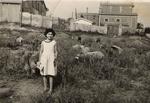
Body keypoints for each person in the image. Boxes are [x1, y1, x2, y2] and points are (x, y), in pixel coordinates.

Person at [37, 28, 57, 94]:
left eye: (51, 34)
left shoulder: (54, 42)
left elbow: (55, 51)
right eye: (48, 34)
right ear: (46, 34)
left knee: (51, 74)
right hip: (44, 59)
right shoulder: (43, 42)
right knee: (44, 74)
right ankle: (45, 88)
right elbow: (41, 51)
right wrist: (39, 60)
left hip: (51, 60)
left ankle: (51, 89)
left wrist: (55, 58)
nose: (50, 35)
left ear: (53, 35)